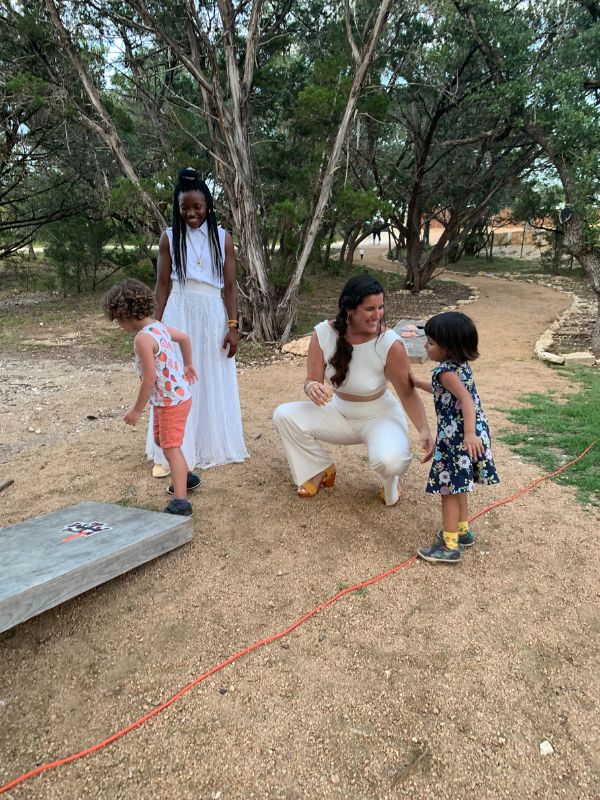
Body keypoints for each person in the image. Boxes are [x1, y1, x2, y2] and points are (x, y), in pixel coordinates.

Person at [273, 274, 434, 505]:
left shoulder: (390, 343)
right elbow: (312, 379)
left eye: (381, 307)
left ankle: (391, 481)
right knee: (284, 415)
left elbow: (407, 392)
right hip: (339, 412)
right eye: (370, 309)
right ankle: (318, 469)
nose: (378, 315)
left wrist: (424, 429)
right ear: (350, 309)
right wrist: (312, 387)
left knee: (390, 461)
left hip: (380, 416)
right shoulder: (323, 334)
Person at [147, 167, 249, 477]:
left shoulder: (223, 238)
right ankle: (171, 449)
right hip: (180, 310)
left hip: (211, 313)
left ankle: (209, 443)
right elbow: (162, 286)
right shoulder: (168, 237)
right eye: (185, 208)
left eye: (198, 207)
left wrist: (232, 327)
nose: (191, 213)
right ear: (178, 208)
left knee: (209, 375)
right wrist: (155, 327)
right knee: (174, 377)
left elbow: (229, 287)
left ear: (208, 207)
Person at [103, 279, 200, 516]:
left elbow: (150, 379)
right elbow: (185, 338)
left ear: (126, 313)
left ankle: (181, 503)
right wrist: (187, 364)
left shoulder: (143, 339)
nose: (118, 324)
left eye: (117, 319)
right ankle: (186, 477)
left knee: (170, 448)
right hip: (175, 398)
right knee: (161, 440)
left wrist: (136, 410)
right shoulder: (159, 327)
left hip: (170, 402)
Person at [411, 311, 500, 564]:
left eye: (430, 343)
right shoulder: (458, 367)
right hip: (468, 432)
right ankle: (462, 531)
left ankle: (449, 546)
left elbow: (465, 399)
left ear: (447, 347)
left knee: (448, 489)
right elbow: (445, 392)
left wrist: (469, 434)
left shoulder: (444, 371)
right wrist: (417, 383)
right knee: (459, 485)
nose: (426, 347)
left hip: (459, 437)